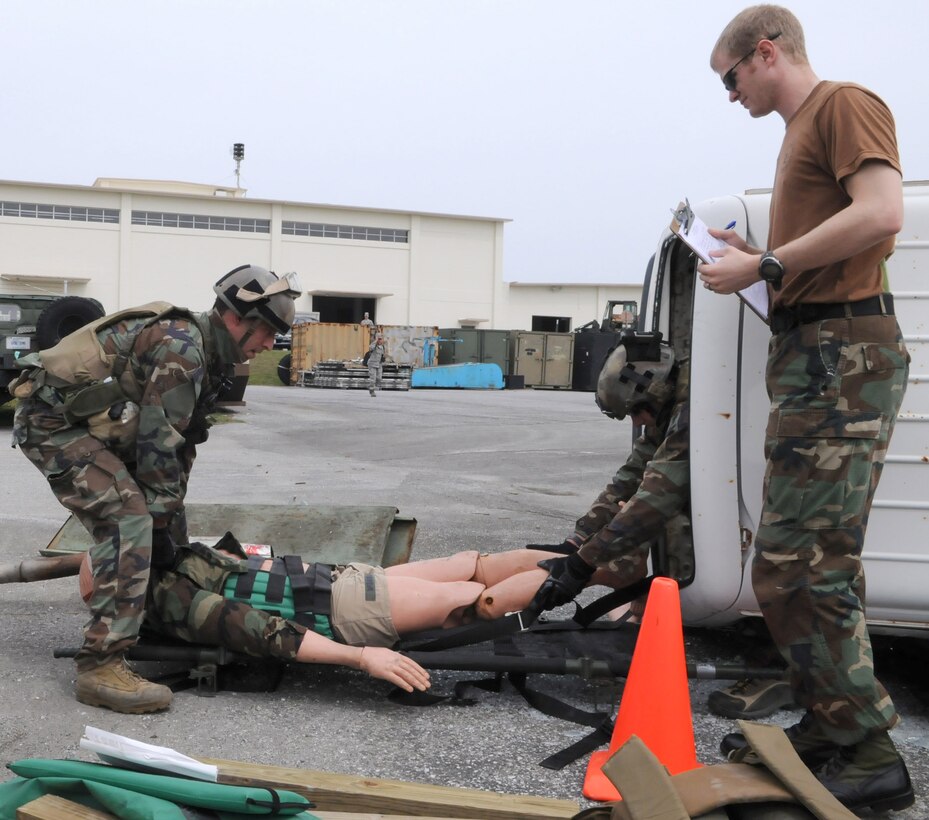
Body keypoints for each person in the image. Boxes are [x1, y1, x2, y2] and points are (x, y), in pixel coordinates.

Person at [698, 6, 912, 812]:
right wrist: (750, 267)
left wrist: (770, 260)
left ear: (765, 52)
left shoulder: (841, 103)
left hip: (840, 358)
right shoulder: (799, 133)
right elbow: (813, 258)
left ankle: (866, 752)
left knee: (797, 563)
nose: (729, 95)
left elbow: (882, 211)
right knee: (805, 562)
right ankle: (830, 730)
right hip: (817, 353)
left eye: (730, 78)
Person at [11, 265, 301, 715]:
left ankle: (148, 614)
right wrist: (157, 518)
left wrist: (170, 520)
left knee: (164, 521)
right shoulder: (183, 349)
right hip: (53, 425)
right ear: (235, 320)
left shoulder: (210, 352)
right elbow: (158, 445)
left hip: (101, 424)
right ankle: (100, 665)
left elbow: (181, 443)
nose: (268, 346)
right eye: (266, 333)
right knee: (129, 517)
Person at [77, 537, 623, 694]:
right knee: (471, 566)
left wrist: (361, 656)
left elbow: (272, 635)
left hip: (342, 607)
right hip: (331, 576)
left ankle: (591, 568)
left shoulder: (169, 601)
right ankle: (607, 567)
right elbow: (251, 555)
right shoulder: (181, 555)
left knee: (470, 605)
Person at [527, 332, 694, 613]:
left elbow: (655, 498)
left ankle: (680, 606)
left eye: (636, 413)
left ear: (654, 394)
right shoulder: (665, 409)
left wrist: (582, 565)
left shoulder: (691, 412)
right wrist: (577, 540)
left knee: (666, 523)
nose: (638, 422)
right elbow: (629, 477)